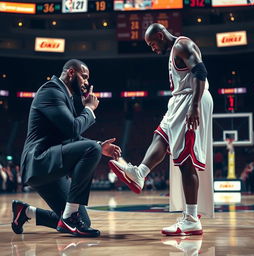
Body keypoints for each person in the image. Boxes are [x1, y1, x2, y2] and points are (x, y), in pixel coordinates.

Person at [109, 23, 213, 236]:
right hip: (179, 100)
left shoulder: (182, 44)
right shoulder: (173, 50)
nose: (153, 48)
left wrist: (193, 106)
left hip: (191, 99)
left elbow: (200, 71)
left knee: (185, 160)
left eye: (153, 43)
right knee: (160, 136)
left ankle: (192, 219)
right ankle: (140, 173)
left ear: (160, 35)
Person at [11, 59, 121, 237]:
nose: (86, 83)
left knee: (84, 222)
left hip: (51, 163)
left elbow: (69, 136)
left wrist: (100, 147)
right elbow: (72, 129)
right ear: (71, 73)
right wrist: (90, 109)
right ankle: (69, 217)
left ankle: (25, 212)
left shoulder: (65, 96)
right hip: (39, 160)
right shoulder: (51, 91)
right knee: (90, 148)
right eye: (84, 77)